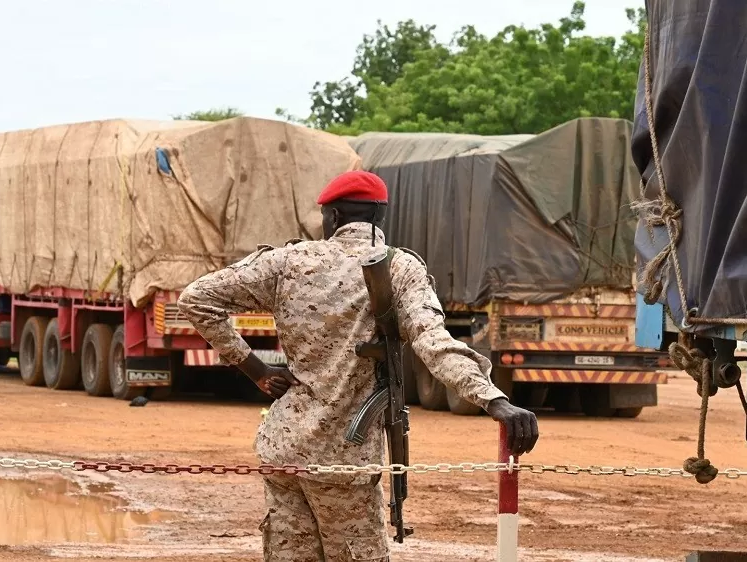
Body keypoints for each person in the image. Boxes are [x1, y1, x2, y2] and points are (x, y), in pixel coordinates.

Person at [178, 170, 539, 562]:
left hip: (283, 449)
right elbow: (434, 344)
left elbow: (196, 299)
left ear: (331, 216)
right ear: (379, 218)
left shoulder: (287, 262)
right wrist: (493, 399)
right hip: (344, 460)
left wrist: (256, 369)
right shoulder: (399, 268)